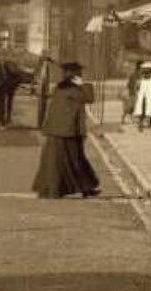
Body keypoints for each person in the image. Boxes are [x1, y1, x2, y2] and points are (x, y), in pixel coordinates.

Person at [32, 60, 101, 199]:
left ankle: (82, 187)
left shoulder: (59, 88)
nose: (81, 75)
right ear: (75, 75)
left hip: (57, 130)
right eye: (79, 73)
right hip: (67, 131)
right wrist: (83, 84)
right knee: (74, 160)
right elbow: (89, 98)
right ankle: (77, 188)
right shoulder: (74, 89)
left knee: (58, 161)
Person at [132, 61, 151, 130]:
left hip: (143, 98)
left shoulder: (140, 80)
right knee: (150, 112)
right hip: (150, 98)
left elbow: (136, 89)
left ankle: (141, 125)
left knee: (143, 112)